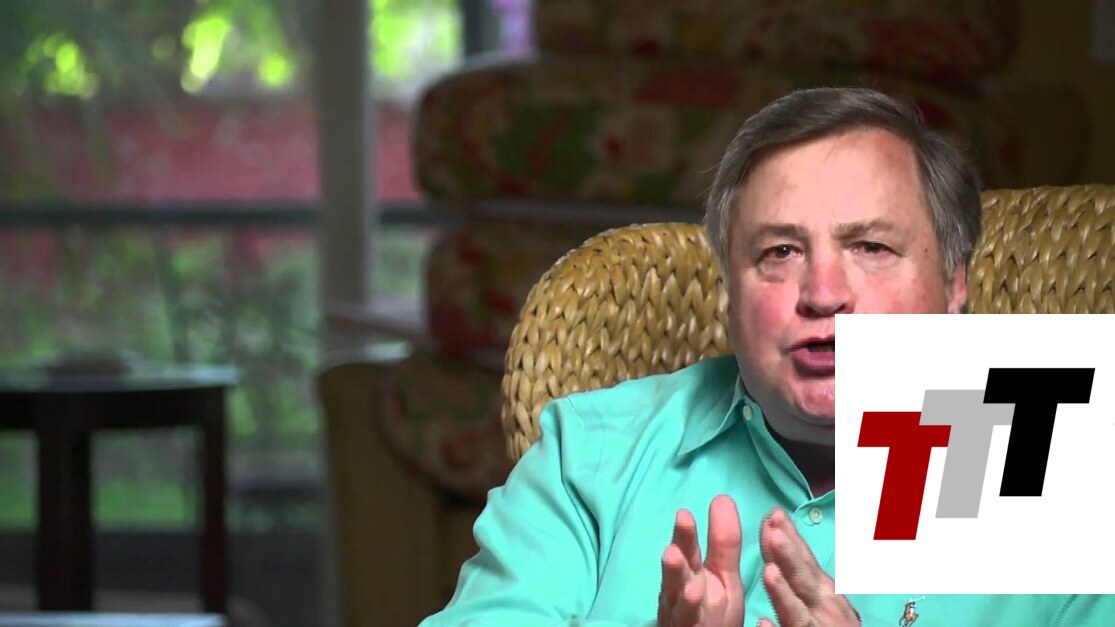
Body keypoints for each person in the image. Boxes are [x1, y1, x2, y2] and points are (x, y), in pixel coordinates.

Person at [419, 88, 1114, 626]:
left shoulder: (1065, 459)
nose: (823, 293)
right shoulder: (591, 456)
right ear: (730, 289)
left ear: (954, 282)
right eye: (779, 251)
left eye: (870, 246)